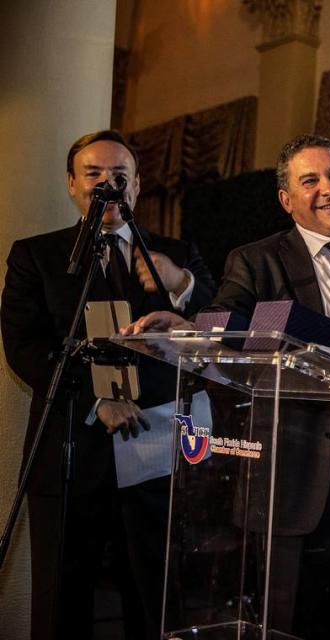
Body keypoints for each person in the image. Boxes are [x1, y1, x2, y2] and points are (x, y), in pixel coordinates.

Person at [127, 133, 330, 637]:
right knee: (296, 609)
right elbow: (222, 321)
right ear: (286, 199)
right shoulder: (258, 260)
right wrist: (184, 317)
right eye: (310, 180)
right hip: (301, 459)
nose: (329, 188)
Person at [1, 130, 216, 639]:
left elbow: (219, 320)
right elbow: (26, 348)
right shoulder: (37, 256)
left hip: (157, 453)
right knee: (62, 603)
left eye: (120, 175)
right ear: (73, 185)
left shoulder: (175, 252)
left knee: (153, 598)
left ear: (137, 187)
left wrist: (180, 285)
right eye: (94, 174)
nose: (108, 184)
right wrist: (98, 401)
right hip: (72, 450)